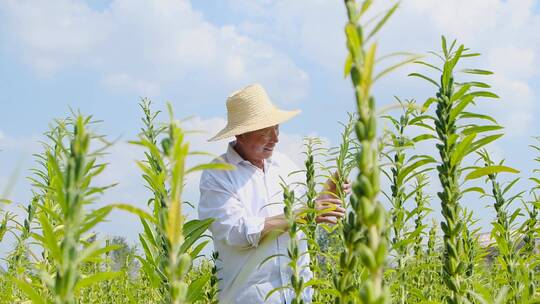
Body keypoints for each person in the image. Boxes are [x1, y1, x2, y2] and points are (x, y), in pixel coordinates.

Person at [198, 84, 348, 303]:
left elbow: (304, 218)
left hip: (298, 296)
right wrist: (302, 214)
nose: (275, 138)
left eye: (276, 128)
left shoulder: (285, 166)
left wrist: (321, 200)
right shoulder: (218, 174)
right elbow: (236, 232)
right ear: (240, 134)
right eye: (265, 131)